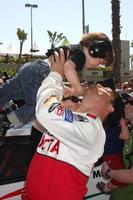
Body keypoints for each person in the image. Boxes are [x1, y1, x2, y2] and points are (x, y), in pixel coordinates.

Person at [25, 49, 115, 200]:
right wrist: (61, 91)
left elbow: (45, 111)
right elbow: (38, 116)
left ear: (109, 108)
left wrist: (55, 75)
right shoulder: (78, 120)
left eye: (106, 90)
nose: (99, 85)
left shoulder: (91, 129)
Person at [0, 32, 114, 136]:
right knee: (38, 106)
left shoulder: (74, 50)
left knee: (7, 92)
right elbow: (68, 68)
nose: (97, 66)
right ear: (95, 49)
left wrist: (65, 88)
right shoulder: (81, 55)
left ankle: (6, 107)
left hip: (31, 69)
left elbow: (55, 77)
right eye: (100, 62)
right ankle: (7, 120)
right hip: (40, 74)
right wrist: (79, 89)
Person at [101, 91, 133, 200]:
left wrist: (108, 171)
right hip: (116, 195)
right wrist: (106, 172)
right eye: (126, 102)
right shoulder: (127, 130)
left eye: (132, 102)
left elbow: (131, 177)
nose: (127, 105)